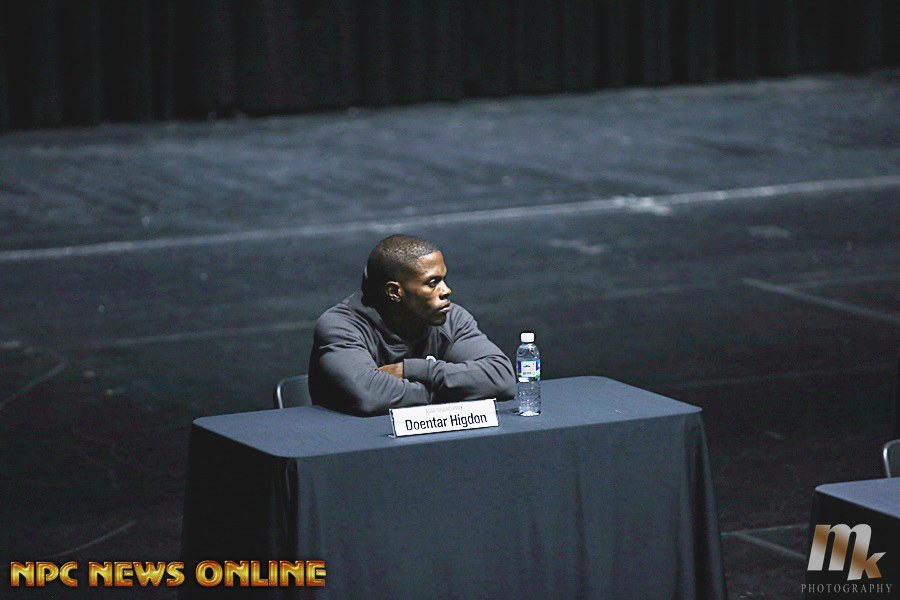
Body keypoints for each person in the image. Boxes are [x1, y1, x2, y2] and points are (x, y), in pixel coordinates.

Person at [308, 234, 516, 416]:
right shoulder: (341, 325)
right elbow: (369, 395)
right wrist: (455, 392)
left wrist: (410, 370)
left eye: (444, 279)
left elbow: (501, 378)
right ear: (394, 292)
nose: (446, 291)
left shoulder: (451, 318)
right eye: (432, 283)